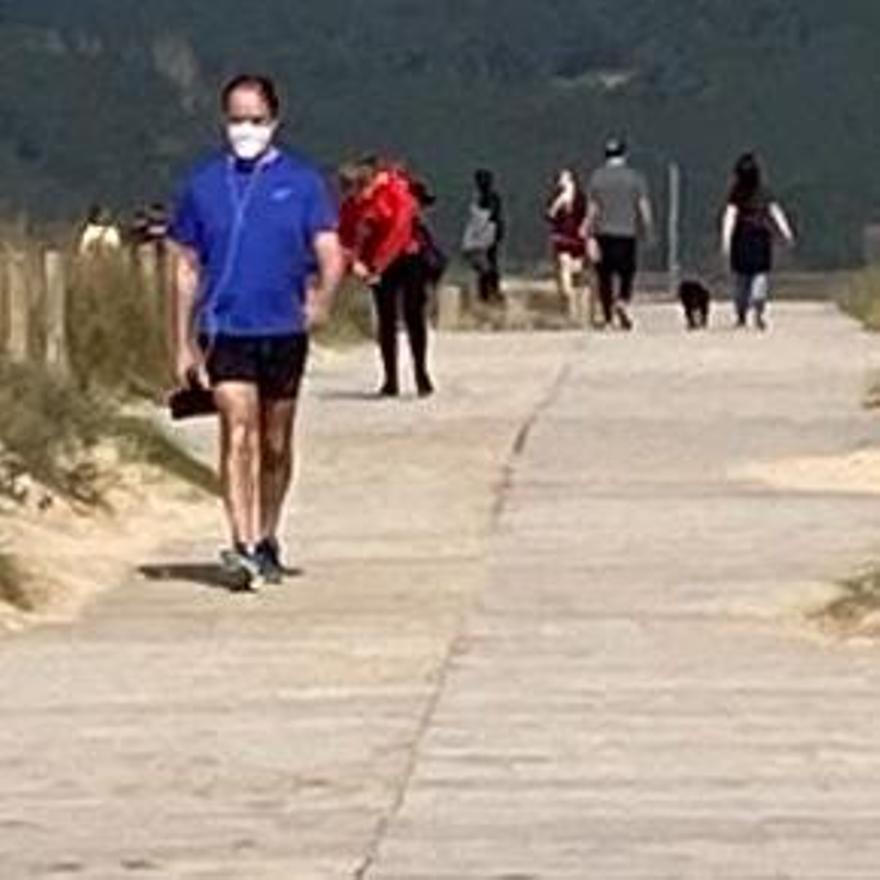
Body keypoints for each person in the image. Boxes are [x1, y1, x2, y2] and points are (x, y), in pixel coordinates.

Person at [168, 74, 344, 588]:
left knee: (274, 443)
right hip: (226, 330)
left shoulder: (303, 183)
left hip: (283, 328)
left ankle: (267, 533)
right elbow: (184, 267)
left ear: (275, 121)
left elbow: (330, 251)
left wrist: (323, 300)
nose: (245, 129)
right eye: (237, 118)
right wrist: (181, 340)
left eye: (256, 119)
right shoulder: (203, 186)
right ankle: (241, 540)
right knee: (237, 430)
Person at [339, 156, 434, 398]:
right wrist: (354, 263)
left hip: (408, 257)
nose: (357, 198)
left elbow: (399, 233)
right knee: (386, 319)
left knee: (413, 314)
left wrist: (377, 266)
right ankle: (390, 378)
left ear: (370, 184)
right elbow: (344, 237)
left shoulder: (396, 194)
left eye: (361, 192)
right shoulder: (351, 205)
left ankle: (421, 373)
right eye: (351, 193)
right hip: (376, 266)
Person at [721, 153, 795, 331]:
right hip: (760, 238)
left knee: (741, 279)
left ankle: (741, 314)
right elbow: (776, 213)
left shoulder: (736, 192)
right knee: (759, 275)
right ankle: (757, 309)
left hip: (742, 239)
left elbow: (729, 218)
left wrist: (726, 241)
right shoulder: (764, 191)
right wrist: (786, 233)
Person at [587, 138, 653, 330]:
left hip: (603, 233)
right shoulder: (635, 177)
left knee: (604, 276)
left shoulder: (597, 177)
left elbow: (593, 208)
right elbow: (643, 205)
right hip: (626, 233)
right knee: (627, 272)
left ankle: (607, 317)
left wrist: (588, 231)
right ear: (624, 154)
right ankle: (623, 300)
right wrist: (648, 228)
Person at [546, 168, 593, 324]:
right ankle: (573, 301)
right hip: (569, 238)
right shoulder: (565, 197)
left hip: (571, 238)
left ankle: (575, 303)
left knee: (572, 270)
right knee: (569, 268)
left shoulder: (575, 197)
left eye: (563, 179)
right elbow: (550, 215)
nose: (561, 182)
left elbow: (586, 215)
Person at [462, 168, 504, 303]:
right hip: (486, 235)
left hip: (486, 235)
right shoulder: (484, 197)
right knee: (487, 266)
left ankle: (489, 293)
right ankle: (488, 293)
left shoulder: (490, 198)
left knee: (487, 266)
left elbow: (490, 218)